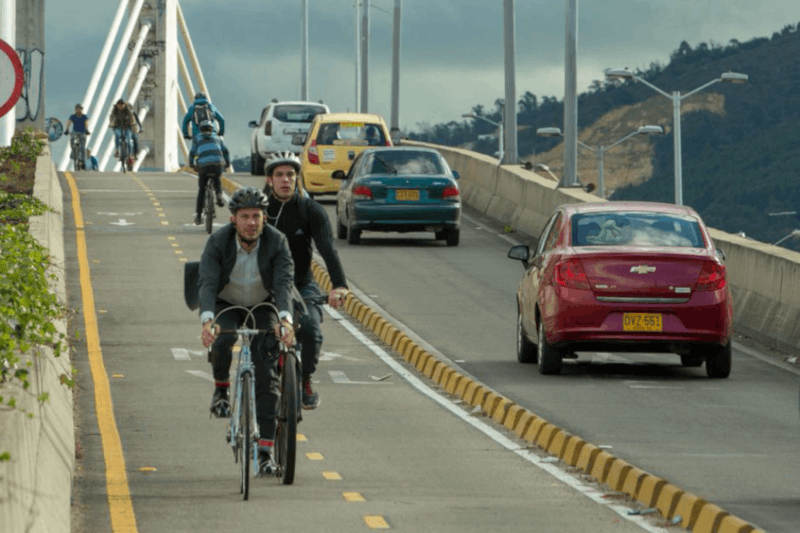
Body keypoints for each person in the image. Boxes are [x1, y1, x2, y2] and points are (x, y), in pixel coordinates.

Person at [199, 186, 296, 474]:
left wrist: (285, 320)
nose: (252, 222)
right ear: (233, 219)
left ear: (265, 218)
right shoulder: (218, 242)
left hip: (262, 305)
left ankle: (265, 452)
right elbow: (207, 281)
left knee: (267, 376)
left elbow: (283, 283)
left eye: (257, 216)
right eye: (245, 217)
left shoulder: (277, 242)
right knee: (220, 341)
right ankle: (221, 390)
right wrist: (207, 321)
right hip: (225, 302)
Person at [263, 151, 349, 409]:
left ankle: (306, 379)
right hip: (264, 286)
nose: (285, 180)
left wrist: (340, 285)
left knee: (311, 329)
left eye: (290, 174)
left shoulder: (310, 211)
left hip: (301, 284)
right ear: (269, 180)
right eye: (279, 175)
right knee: (261, 336)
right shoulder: (258, 210)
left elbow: (327, 250)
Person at [189, 120, 229, 225]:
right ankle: (219, 196)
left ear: (200, 130)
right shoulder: (218, 138)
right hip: (217, 164)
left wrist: (191, 164)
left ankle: (198, 216)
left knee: (202, 190)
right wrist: (227, 164)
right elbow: (225, 151)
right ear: (212, 129)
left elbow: (192, 152)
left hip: (203, 166)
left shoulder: (197, 138)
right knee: (217, 180)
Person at [109, 99, 137, 165]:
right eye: (119, 104)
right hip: (118, 127)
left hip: (127, 127)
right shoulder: (115, 110)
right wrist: (111, 123)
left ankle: (130, 155)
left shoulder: (128, 110)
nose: (120, 106)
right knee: (117, 136)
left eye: (122, 104)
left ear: (124, 105)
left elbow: (132, 117)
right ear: (117, 105)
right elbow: (111, 117)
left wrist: (133, 123)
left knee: (129, 140)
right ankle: (117, 150)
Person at [65, 104, 91, 169]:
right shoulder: (73, 116)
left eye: (80, 109)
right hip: (75, 131)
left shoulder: (84, 116)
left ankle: (83, 161)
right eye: (77, 109)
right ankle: (74, 153)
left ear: (82, 110)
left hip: (82, 132)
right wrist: (67, 129)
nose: (79, 110)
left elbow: (86, 123)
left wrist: (87, 129)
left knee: (82, 147)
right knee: (72, 140)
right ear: (75, 110)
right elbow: (69, 122)